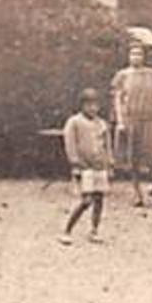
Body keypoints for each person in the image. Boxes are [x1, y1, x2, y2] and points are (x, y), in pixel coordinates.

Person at [111, 43, 152, 208]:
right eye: (133, 54)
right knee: (133, 158)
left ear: (144, 57)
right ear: (128, 56)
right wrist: (120, 121)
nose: (136, 57)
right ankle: (136, 193)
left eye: (139, 54)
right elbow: (117, 99)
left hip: (149, 120)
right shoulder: (122, 75)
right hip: (130, 119)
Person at [59, 88, 112, 245]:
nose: (93, 109)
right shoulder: (74, 122)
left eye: (95, 105)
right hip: (84, 166)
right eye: (89, 105)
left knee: (99, 199)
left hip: (99, 165)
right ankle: (67, 230)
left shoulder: (102, 124)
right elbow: (70, 143)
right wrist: (75, 162)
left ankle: (94, 230)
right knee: (86, 200)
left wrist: (109, 161)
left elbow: (107, 144)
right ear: (82, 106)